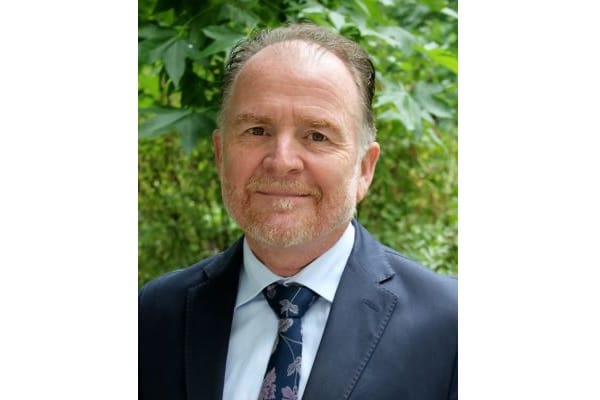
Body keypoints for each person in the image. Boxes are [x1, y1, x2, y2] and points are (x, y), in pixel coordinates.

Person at [139, 23, 457, 400]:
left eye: (317, 136)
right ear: (221, 155)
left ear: (364, 169)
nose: (281, 161)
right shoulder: (153, 317)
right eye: (257, 130)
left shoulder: (452, 328)